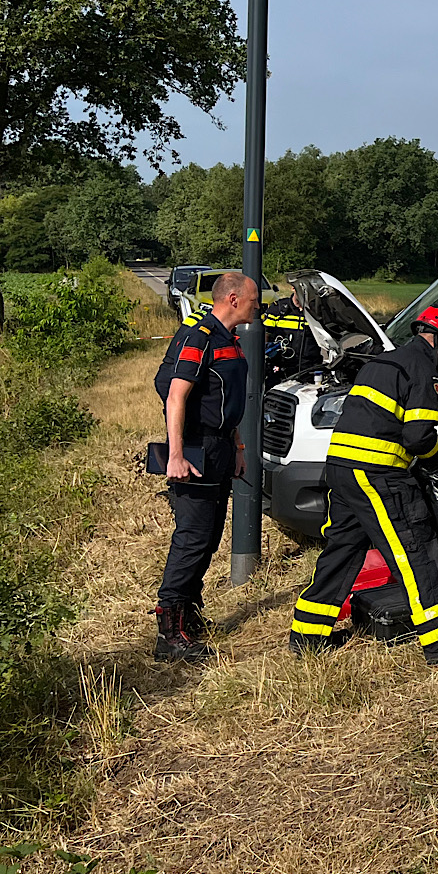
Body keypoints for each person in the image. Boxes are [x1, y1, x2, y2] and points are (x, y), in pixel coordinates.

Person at [287, 306, 438, 663]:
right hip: (379, 475)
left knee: (343, 550)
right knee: (416, 551)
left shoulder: (382, 361)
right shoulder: (423, 369)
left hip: (342, 470)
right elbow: (419, 436)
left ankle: (308, 635)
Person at [151, 270, 259, 662]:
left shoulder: (227, 339)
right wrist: (176, 455)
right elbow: (176, 397)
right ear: (233, 299)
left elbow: (225, 402)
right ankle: (169, 633)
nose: (258, 304)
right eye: (253, 298)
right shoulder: (198, 335)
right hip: (195, 450)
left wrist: (239, 448)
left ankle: (190, 619)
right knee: (192, 538)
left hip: (219, 448)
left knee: (209, 537)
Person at [261, 286, 317, 383]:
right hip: (280, 371)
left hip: (308, 371)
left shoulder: (317, 312)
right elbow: (264, 335)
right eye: (301, 289)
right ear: (293, 288)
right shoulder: (278, 309)